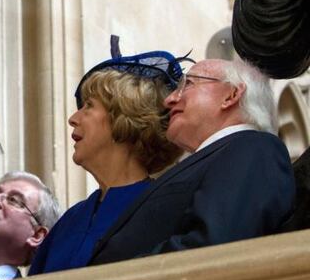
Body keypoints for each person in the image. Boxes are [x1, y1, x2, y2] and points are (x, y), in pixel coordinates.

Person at [90, 59, 295, 265]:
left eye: (187, 84)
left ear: (231, 95)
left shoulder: (253, 148)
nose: (169, 100)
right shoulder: (218, 157)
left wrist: (115, 279)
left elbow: (213, 246)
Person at [29, 51, 186, 275]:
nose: (73, 119)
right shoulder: (70, 221)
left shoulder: (167, 208)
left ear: (124, 116)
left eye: (89, 106)